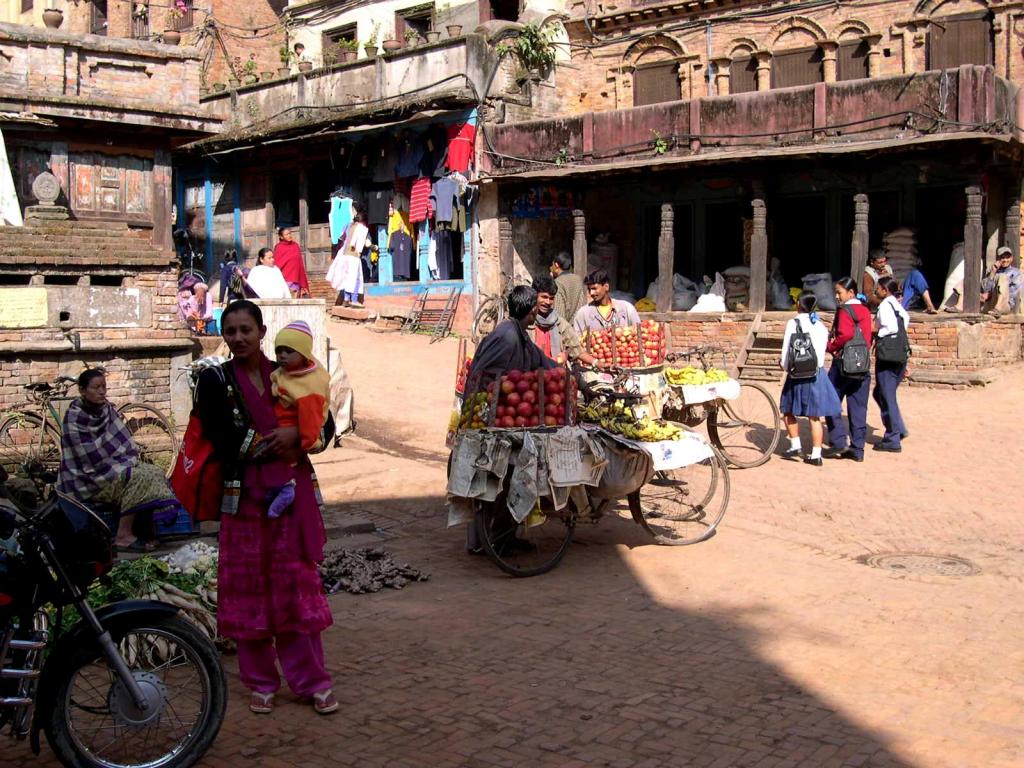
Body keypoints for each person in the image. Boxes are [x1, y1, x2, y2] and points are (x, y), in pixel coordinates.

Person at [195, 300, 337, 716]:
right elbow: (219, 436)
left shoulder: (291, 368)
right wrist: (275, 441)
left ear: (261, 331)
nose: (238, 338)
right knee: (248, 587)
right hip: (243, 499)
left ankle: (312, 680)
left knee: (295, 586)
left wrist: (299, 433)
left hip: (290, 495)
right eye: (231, 331)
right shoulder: (214, 380)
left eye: (246, 329)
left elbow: (325, 421)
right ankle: (260, 680)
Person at [57, 369, 180, 552]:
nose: (102, 392)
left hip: (112, 469)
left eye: (104, 387)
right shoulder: (74, 416)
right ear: (82, 390)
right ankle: (123, 536)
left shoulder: (106, 409)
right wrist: (118, 465)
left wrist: (121, 463)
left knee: (154, 471)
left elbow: (123, 441)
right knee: (137, 477)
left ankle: (146, 531)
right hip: (87, 479)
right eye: (96, 387)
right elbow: (88, 457)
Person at [265, 321, 330, 518]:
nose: (282, 356)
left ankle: (285, 490)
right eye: (279, 351)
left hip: (291, 433)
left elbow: (312, 417)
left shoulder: (308, 386)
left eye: (289, 351)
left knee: (284, 460)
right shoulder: (284, 372)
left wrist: (306, 440)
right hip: (282, 429)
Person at [778, 292, 842, 466]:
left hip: (797, 373)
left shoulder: (794, 323)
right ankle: (816, 454)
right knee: (814, 417)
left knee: (788, 410)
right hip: (816, 373)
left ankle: (795, 444)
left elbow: (787, 350)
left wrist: (784, 365)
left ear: (799, 303)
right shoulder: (820, 326)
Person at [825, 276, 873, 462]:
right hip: (862, 364)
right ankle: (858, 448)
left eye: (839, 292)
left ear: (850, 292)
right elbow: (867, 339)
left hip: (843, 364)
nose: (837, 296)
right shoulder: (865, 310)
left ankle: (838, 440)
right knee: (858, 407)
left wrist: (831, 346)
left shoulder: (845, 310)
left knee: (830, 399)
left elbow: (845, 334)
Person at [872, 276, 911, 453]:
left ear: (885, 290)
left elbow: (891, 328)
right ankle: (899, 427)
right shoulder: (898, 307)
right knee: (881, 393)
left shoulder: (885, 305)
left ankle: (893, 437)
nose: (876, 290)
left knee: (886, 396)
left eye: (878, 288)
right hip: (900, 356)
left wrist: (877, 332)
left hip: (888, 357)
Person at [531, 277, 602, 367]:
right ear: (535, 296)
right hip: (532, 374)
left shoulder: (560, 323)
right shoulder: (528, 322)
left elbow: (577, 350)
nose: (548, 302)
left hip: (556, 375)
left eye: (551, 298)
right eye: (544, 297)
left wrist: (596, 362)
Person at [573, 268, 641, 334]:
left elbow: (639, 332)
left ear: (606, 287)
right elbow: (576, 341)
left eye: (594, 288)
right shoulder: (583, 313)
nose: (591, 293)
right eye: (589, 289)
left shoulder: (626, 308)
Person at [326, 208, 368, 307]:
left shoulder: (347, 225)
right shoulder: (363, 229)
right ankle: (353, 299)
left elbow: (341, 239)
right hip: (353, 255)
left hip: (344, 254)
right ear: (363, 221)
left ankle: (346, 298)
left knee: (346, 277)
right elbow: (358, 245)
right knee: (354, 278)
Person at [981, 246, 1021, 314]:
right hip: (990, 303)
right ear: (998, 259)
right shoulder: (992, 271)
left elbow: (1013, 293)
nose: (1005, 260)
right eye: (1002, 257)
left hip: (1004, 304)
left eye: (1007, 257)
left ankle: (998, 308)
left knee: (1002, 277)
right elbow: (985, 290)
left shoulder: (1016, 273)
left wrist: (992, 293)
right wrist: (993, 273)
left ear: (1011, 258)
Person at [549, 251, 587, 323]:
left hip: (565, 328)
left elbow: (559, 313)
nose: (551, 268)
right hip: (577, 324)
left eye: (552, 265)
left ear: (556, 265)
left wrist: (552, 281)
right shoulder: (577, 279)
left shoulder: (558, 283)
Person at [273, 228, 311, 298]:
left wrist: (302, 281)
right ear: (281, 237)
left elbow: (299, 264)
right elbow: (277, 263)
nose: (289, 235)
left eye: (290, 233)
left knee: (295, 300)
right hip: (285, 278)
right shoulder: (279, 247)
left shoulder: (295, 245)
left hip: (295, 277)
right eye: (286, 234)